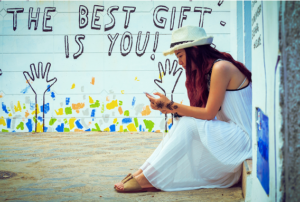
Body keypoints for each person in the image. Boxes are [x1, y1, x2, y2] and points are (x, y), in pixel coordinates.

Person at [114, 25, 252, 193]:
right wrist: (171, 109)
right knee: (182, 122)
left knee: (187, 124)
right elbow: (202, 113)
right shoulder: (209, 71)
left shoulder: (220, 68)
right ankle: (143, 171)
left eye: (180, 55)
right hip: (232, 134)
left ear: (194, 50)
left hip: (244, 139)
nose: (179, 62)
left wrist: (171, 106)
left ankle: (147, 177)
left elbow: (208, 114)